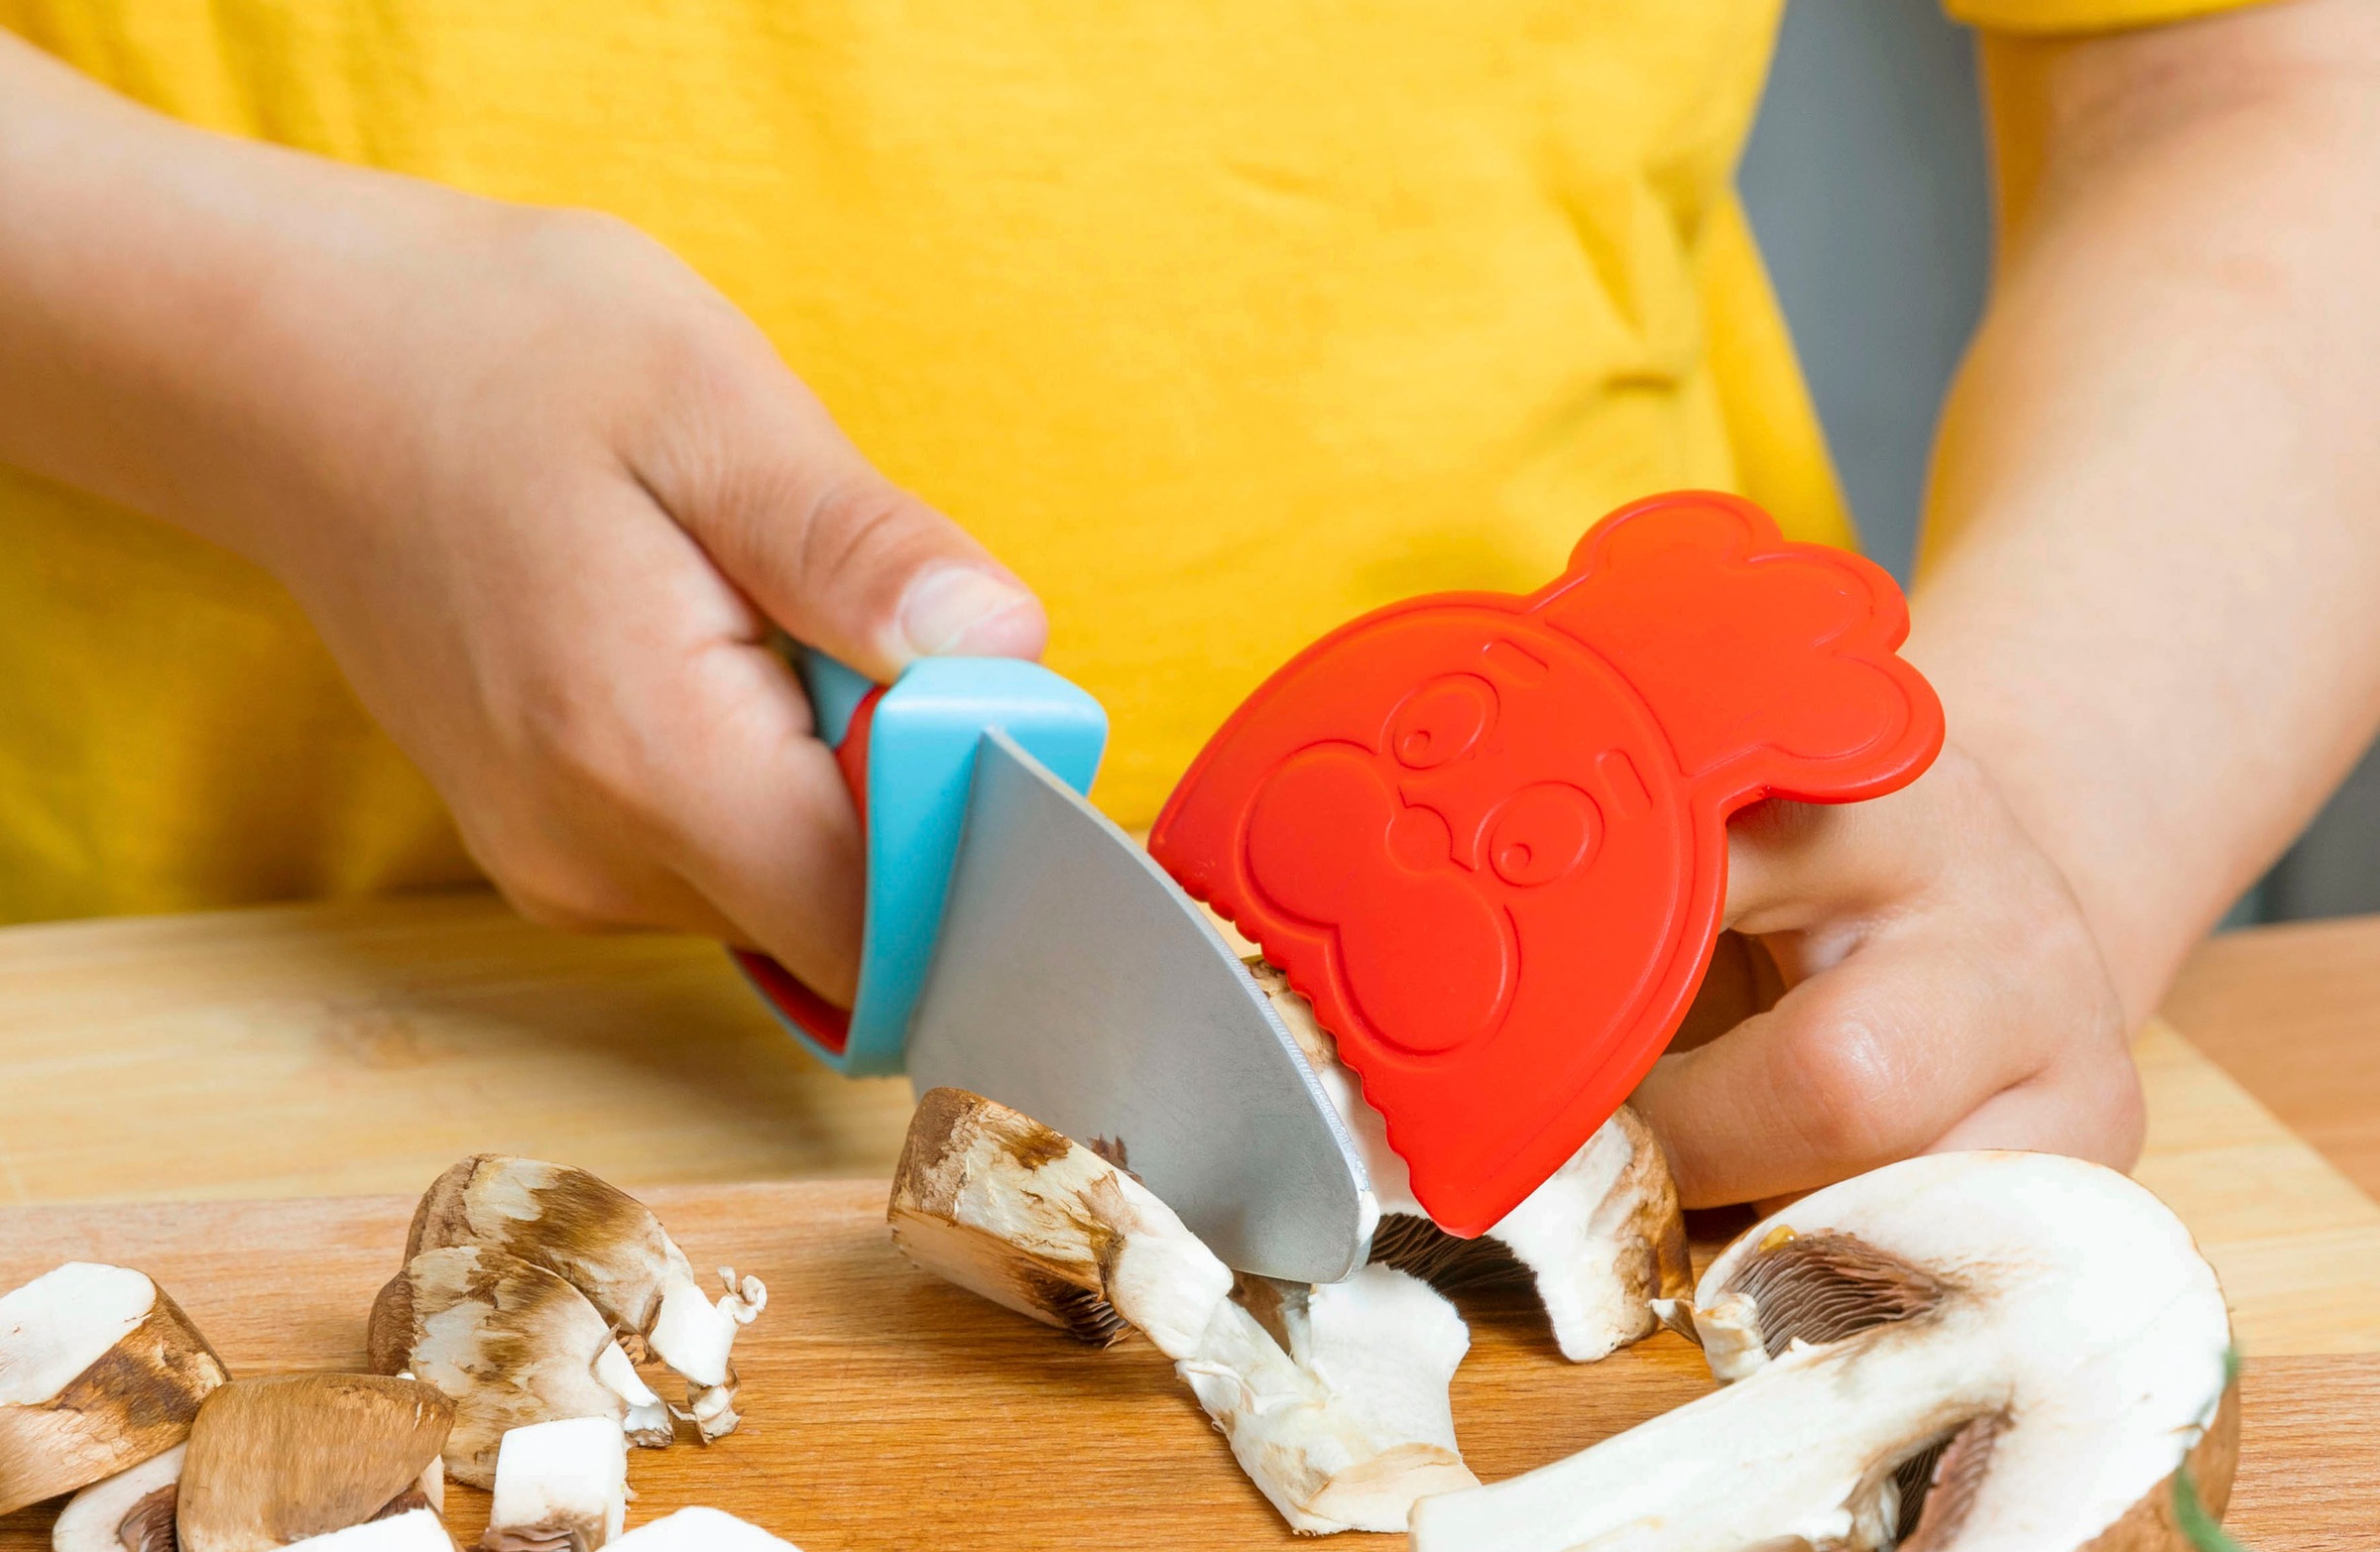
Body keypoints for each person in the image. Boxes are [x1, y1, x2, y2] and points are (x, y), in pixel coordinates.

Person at [0, 2, 2374, 1215]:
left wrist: (2035, 831)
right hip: (203, 1085)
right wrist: (276, 371)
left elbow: (2262, 85)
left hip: (1640, 1120)